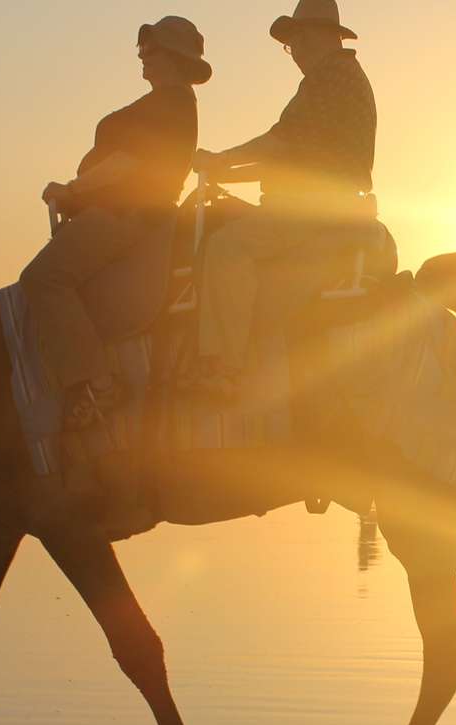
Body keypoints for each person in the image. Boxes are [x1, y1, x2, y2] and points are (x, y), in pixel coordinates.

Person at [23, 16, 209, 430]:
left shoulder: (171, 103)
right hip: (123, 213)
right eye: (142, 50)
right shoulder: (170, 102)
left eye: (150, 50)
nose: (141, 57)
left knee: (42, 279)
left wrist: (72, 189)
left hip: (130, 216)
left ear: (172, 57)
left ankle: (99, 385)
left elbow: (128, 164)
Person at [190, 0, 376, 392]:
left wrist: (223, 159)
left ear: (318, 37)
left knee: (227, 247)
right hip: (329, 204)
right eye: (289, 44)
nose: (294, 52)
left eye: (297, 40)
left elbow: (279, 143)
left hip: (314, 211)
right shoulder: (340, 78)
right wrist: (229, 171)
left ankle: (224, 369)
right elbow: (294, 156)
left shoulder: (330, 78)